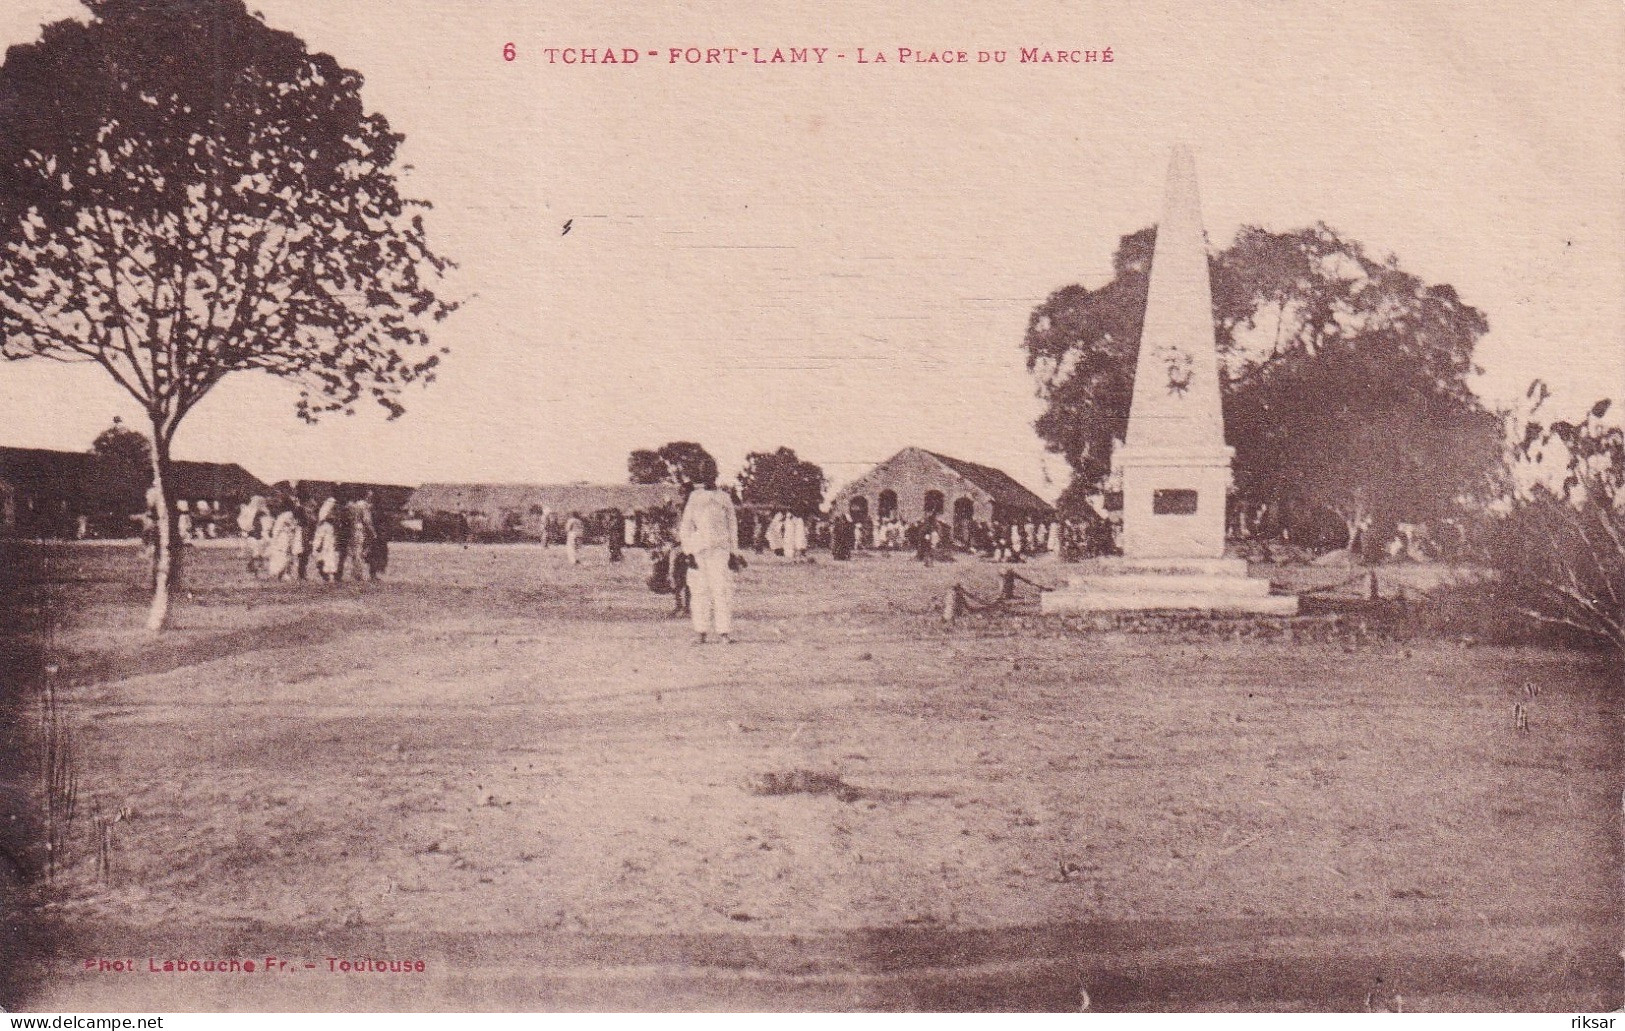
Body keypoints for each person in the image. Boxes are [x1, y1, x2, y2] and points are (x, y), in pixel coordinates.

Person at [678, 458, 739, 644]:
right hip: (699, 550)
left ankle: (724, 632)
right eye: (704, 472)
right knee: (699, 591)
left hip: (720, 550)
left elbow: (732, 526)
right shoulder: (695, 497)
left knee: (722, 590)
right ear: (700, 475)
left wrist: (733, 553)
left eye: (710, 472)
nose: (707, 476)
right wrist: (688, 552)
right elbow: (686, 526)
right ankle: (701, 631)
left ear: (716, 474)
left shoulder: (724, 498)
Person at [312, 498, 342, 582]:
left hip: (329, 536)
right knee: (326, 554)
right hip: (326, 536)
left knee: (329, 554)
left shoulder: (328, 516)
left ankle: (328, 574)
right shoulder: (325, 520)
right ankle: (327, 573)